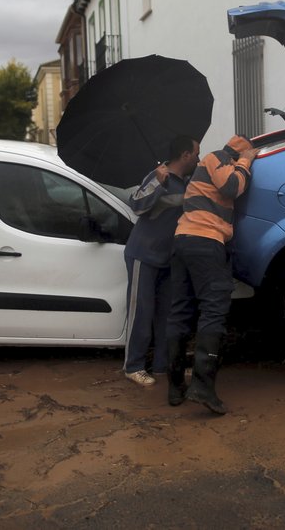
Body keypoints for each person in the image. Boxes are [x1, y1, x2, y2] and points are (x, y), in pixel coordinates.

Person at [166, 134, 257, 414]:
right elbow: (232, 187)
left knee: (181, 309)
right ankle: (203, 387)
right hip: (204, 240)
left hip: (184, 240)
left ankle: (175, 386)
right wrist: (247, 161)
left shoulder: (210, 163)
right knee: (214, 308)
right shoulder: (217, 158)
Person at [123, 135, 201, 386]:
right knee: (141, 313)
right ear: (186, 155)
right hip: (143, 255)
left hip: (168, 259)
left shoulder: (187, 182)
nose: (199, 158)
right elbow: (135, 204)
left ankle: (161, 366)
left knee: (166, 315)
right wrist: (157, 183)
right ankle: (133, 366)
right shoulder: (158, 176)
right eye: (196, 153)